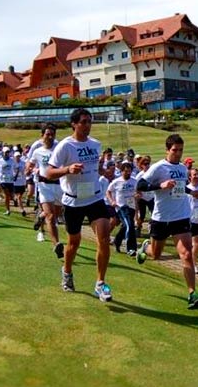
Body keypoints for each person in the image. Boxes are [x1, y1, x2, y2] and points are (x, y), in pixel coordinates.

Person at [136, 134, 198, 310]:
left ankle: (192, 293)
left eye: (181, 150)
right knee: (156, 255)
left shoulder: (183, 168)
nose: (178, 153)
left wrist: (191, 193)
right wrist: (160, 186)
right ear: (167, 150)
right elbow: (140, 186)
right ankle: (145, 247)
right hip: (161, 217)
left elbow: (180, 188)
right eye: (175, 150)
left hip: (181, 216)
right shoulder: (158, 167)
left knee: (187, 254)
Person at [48, 108, 112, 301]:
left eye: (89, 122)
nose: (87, 125)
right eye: (83, 122)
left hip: (94, 198)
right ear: (74, 124)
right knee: (73, 243)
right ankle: (66, 271)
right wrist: (68, 169)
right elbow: (49, 173)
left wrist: (104, 172)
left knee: (104, 237)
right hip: (73, 201)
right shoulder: (65, 146)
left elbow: (95, 167)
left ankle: (100, 284)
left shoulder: (96, 144)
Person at [26, 125, 64, 257]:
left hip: (59, 186)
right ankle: (56, 244)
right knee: (51, 216)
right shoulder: (38, 151)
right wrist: (31, 170)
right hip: (44, 185)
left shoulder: (59, 149)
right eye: (47, 134)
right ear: (42, 135)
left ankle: (40, 216)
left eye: (52, 134)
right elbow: (30, 164)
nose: (50, 137)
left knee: (57, 213)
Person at [107, 161, 138, 256]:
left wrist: (138, 196)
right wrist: (112, 201)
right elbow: (108, 191)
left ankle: (117, 240)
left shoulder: (134, 181)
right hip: (121, 207)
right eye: (125, 171)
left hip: (131, 206)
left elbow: (138, 192)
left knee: (126, 226)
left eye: (129, 171)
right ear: (121, 171)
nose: (128, 173)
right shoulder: (116, 182)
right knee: (130, 226)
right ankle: (131, 248)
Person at [0, 148, 17, 216]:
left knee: (11, 196)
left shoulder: (12, 160)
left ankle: (13, 199)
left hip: (10, 180)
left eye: (8, 152)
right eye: (6, 152)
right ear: (3, 153)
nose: (7, 154)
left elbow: (16, 168)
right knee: (7, 195)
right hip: (2, 180)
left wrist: (15, 175)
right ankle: (8, 210)